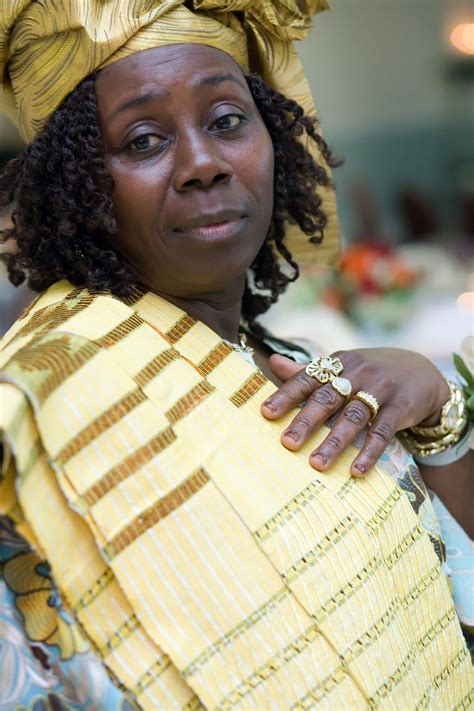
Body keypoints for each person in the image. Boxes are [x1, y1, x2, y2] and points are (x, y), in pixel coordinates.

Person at [0, 2, 472, 709]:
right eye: (143, 140)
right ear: (72, 183)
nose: (203, 164)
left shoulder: (291, 360)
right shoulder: (45, 411)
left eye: (225, 121)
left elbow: (455, 602)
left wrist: (437, 407)